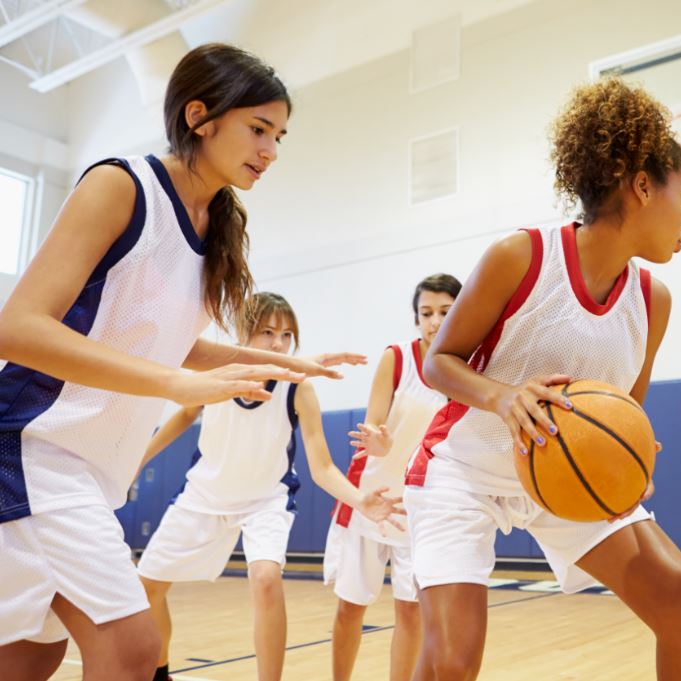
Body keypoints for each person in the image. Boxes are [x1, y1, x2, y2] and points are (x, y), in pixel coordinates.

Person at [0, 43, 352, 680]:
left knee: (30, 656)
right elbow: (17, 329)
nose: (271, 150)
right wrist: (174, 381)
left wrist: (279, 363)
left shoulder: (213, 225)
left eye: (279, 136)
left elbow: (163, 341)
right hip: (33, 447)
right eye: (259, 129)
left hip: (83, 467)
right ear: (200, 116)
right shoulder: (120, 184)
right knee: (131, 650)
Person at [403, 78, 681, 681]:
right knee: (451, 660)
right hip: (465, 469)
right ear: (643, 186)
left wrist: (629, 456)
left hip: (561, 472)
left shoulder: (653, 301)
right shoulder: (521, 257)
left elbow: (623, 408)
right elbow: (437, 362)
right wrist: (503, 396)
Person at [138, 292, 402, 681]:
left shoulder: (299, 389)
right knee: (146, 588)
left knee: (265, 577)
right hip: (204, 495)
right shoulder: (219, 373)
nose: (278, 343)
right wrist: (138, 460)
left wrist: (361, 500)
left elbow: (323, 467)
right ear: (244, 334)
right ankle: (160, 673)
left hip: (265, 500)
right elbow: (182, 416)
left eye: (286, 335)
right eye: (267, 332)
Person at [325, 273, 462, 681]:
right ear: (416, 317)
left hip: (420, 507)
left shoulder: (466, 368)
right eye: (426, 313)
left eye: (444, 312)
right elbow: (373, 428)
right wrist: (378, 443)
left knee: (410, 609)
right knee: (351, 605)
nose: (434, 321)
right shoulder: (397, 358)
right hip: (372, 497)